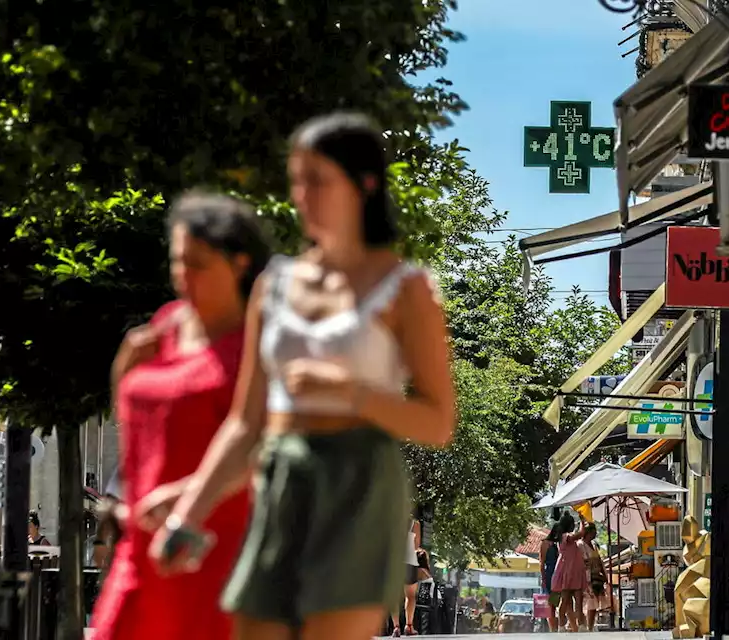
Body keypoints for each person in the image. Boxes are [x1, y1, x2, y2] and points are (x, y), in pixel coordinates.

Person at [139, 112, 457, 640]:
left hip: (358, 478)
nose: (302, 196)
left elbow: (437, 422)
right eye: (297, 180)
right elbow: (246, 423)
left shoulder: (406, 288)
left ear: (365, 186)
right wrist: (189, 510)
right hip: (282, 473)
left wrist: (350, 392)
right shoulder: (274, 283)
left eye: (318, 181)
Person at [88, 191, 274, 640]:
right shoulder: (168, 323)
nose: (183, 276)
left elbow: (266, 445)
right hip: (142, 543)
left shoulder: (258, 339)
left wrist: (187, 496)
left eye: (198, 264)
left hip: (214, 546)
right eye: (177, 262)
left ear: (240, 263)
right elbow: (141, 427)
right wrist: (123, 372)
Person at [551, 516, 588, 633]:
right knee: (566, 600)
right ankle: (562, 625)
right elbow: (581, 533)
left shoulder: (566, 538)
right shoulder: (565, 537)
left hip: (574, 571)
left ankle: (580, 625)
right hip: (568, 572)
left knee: (577, 600)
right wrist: (582, 521)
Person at [391, 519, 423, 636]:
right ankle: (409, 626)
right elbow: (416, 545)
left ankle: (396, 627)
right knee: (410, 595)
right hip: (410, 560)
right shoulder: (415, 524)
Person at [538, 509, 567, 632]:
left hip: (557, 574)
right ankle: (552, 629)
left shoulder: (559, 544)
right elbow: (542, 561)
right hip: (549, 574)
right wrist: (543, 579)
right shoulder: (545, 543)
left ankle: (555, 628)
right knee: (549, 605)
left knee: (555, 603)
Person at [580, 522, 608, 631]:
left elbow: (600, 561)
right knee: (590, 602)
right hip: (587, 577)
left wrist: (604, 575)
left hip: (597, 577)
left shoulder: (594, 545)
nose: (595, 533)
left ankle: (590, 626)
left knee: (595, 604)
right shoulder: (580, 545)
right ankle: (587, 626)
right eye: (593, 531)